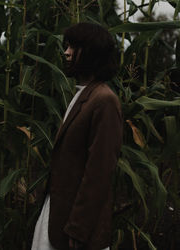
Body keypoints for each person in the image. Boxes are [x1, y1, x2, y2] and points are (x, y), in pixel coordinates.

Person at [31, 22, 123, 250]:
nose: (66, 52)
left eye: (74, 47)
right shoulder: (84, 94)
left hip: (74, 227)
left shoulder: (104, 100)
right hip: (57, 217)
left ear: (92, 53)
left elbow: (99, 172)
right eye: (67, 46)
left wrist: (79, 229)